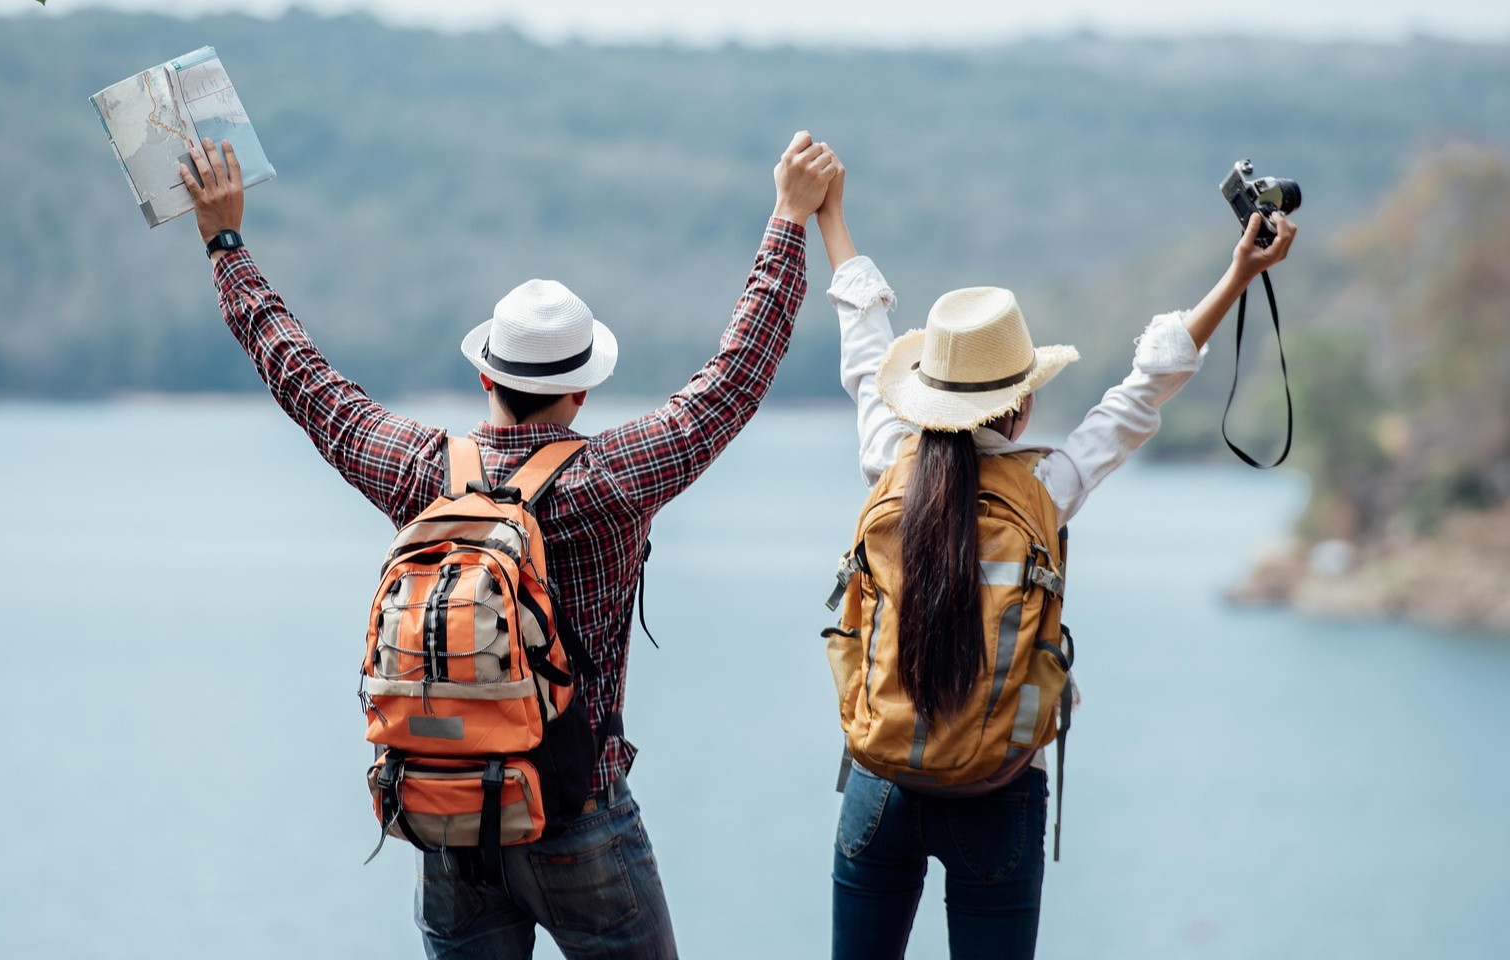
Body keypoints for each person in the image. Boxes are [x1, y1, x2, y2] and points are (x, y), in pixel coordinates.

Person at [179, 131, 842, 959]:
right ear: (581, 390)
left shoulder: (423, 473)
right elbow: (733, 379)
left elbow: (304, 379)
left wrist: (226, 243)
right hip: (579, 814)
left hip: (450, 816)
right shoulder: (609, 480)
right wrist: (788, 219)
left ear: (486, 376)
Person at [813, 164, 1296, 959]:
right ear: (1024, 402)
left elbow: (864, 344)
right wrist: (1240, 273)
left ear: (926, 394)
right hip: (998, 791)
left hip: (881, 780)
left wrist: (830, 216)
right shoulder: (1045, 488)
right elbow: (1144, 390)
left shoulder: (888, 462)